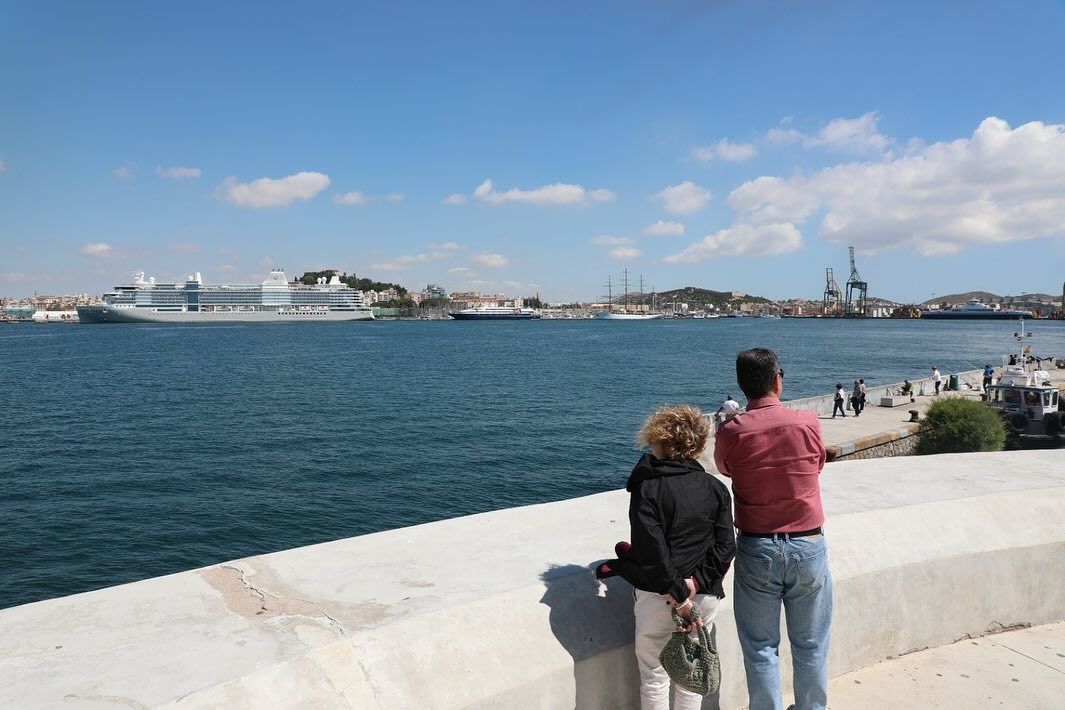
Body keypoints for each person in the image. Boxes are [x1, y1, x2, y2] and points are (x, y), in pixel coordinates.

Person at [595, 404, 736, 710]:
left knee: (655, 677)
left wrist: (679, 596)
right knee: (690, 677)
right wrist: (694, 584)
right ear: (696, 443)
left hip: (660, 598)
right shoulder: (715, 489)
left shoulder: (648, 487)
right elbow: (726, 548)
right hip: (704, 595)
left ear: (657, 440)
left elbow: (652, 551)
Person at [714, 348, 832, 710]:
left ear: (740, 385)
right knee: (811, 644)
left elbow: (725, 468)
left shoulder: (731, 431)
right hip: (807, 544)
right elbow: (818, 464)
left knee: (761, 647)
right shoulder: (807, 422)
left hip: (757, 547)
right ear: (777, 380)